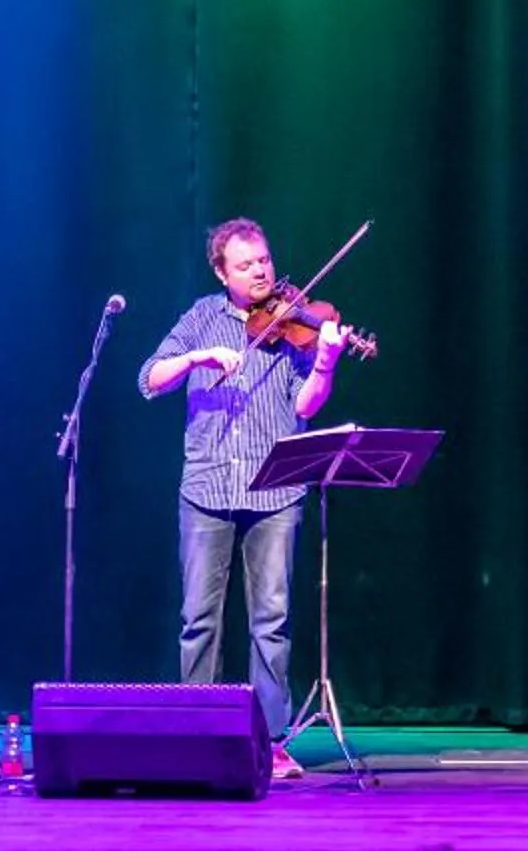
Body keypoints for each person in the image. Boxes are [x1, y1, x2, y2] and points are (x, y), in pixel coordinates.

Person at [141, 219, 359, 780]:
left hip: (275, 488)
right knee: (199, 620)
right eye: (245, 265)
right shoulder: (200, 319)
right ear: (222, 273)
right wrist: (196, 359)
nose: (261, 272)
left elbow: (306, 405)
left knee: (271, 620)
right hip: (207, 486)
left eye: (263, 260)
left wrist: (329, 360)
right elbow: (150, 378)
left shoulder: (294, 325)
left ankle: (269, 741)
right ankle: (198, 733)